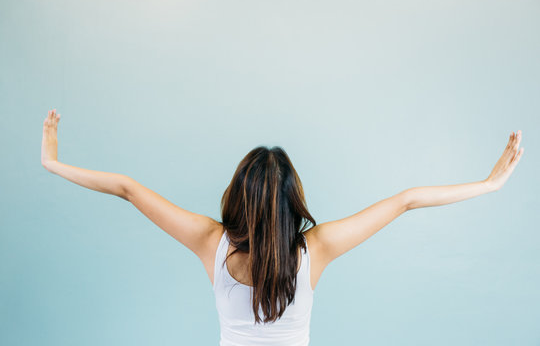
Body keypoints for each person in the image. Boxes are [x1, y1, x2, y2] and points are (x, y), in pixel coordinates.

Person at [41, 109, 524, 345]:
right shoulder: (318, 248)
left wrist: (53, 160)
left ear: (238, 195)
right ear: (293, 202)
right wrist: (488, 185)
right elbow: (406, 201)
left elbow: (126, 187)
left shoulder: (211, 242)